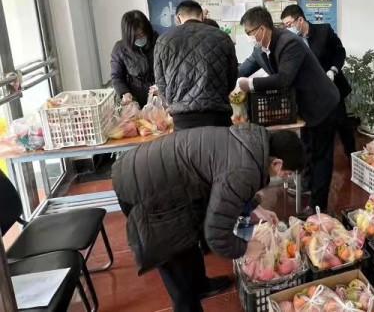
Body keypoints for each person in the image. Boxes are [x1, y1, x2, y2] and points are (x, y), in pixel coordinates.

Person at [112, 124, 306, 312]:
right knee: (174, 258)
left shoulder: (253, 141)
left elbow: (224, 180)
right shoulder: (245, 169)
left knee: (187, 236)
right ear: (276, 163)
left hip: (154, 169)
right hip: (143, 186)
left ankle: (200, 284)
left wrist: (256, 207)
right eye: (286, 173)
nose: (284, 177)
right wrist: (246, 248)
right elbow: (215, 235)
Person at [237, 6, 339, 215]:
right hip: (303, 107)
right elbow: (243, 69)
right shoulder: (260, 49)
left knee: (321, 156)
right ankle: (308, 184)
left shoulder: (289, 43)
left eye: (249, 32)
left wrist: (251, 84)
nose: (248, 37)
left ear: (262, 29)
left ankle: (318, 206)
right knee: (308, 148)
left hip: (322, 102)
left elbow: (284, 79)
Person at [281, 5, 356, 163]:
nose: (287, 29)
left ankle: (353, 157)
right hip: (310, 94)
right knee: (311, 130)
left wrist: (333, 70)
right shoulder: (291, 41)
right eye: (284, 26)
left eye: (289, 24)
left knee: (342, 124)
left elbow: (340, 52)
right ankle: (311, 163)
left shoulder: (324, 31)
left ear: (300, 20)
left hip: (332, 88)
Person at [154, 0, 238, 130]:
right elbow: (232, 78)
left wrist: (172, 102)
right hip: (218, 116)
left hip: (182, 119)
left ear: (177, 18)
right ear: (202, 16)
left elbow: (161, 82)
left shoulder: (163, 41)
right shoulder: (222, 37)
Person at [110, 10, 157, 107]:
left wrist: (161, 87)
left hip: (159, 96)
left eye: (142, 34)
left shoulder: (158, 42)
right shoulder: (120, 49)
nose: (140, 38)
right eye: (136, 36)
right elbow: (116, 77)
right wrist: (124, 93)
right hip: (135, 98)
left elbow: (169, 69)